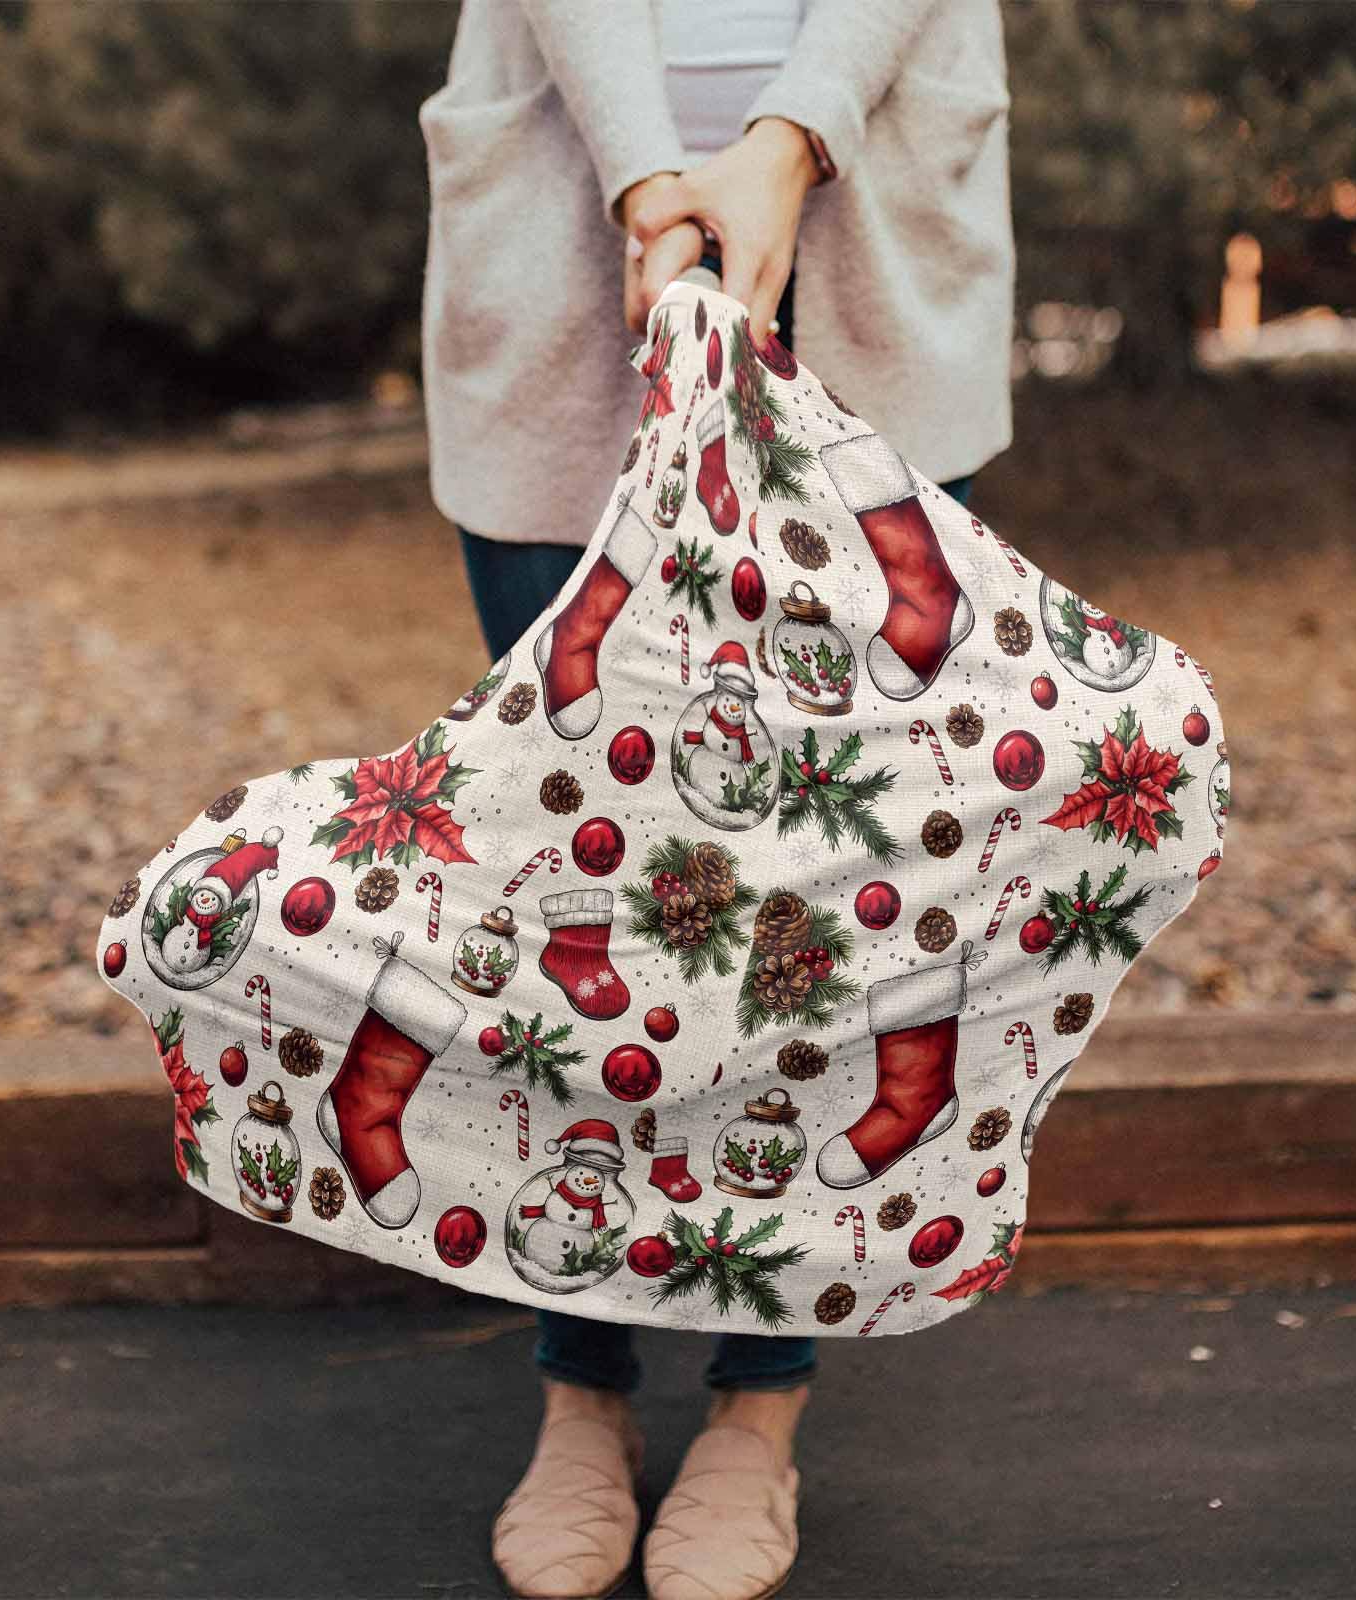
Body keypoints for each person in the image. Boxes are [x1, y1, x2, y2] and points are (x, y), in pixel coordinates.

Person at [417, 5, 1014, 1597]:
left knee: (822, 883)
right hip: (567, 219)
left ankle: (760, 1405)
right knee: (576, 876)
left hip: (872, 222)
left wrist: (791, 139)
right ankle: (582, 1384)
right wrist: (646, 179)